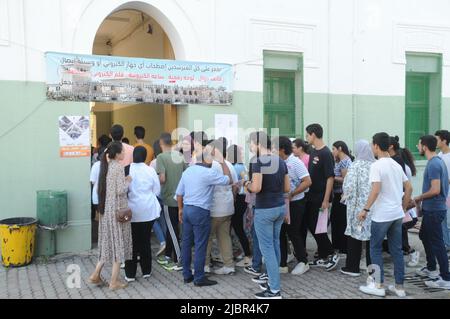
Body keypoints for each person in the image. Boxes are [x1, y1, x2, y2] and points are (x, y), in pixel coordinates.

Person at [358, 132, 412, 298]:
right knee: (396, 250)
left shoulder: (377, 165)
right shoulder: (396, 164)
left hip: (382, 215)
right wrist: (403, 208)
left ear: (375, 146)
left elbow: (375, 189)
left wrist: (365, 209)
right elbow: (409, 188)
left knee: (374, 248)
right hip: (396, 214)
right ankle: (399, 287)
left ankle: (377, 284)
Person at [176, 138, 233, 287]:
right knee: (201, 244)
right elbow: (229, 180)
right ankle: (199, 277)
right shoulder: (208, 173)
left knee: (187, 243)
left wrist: (181, 209)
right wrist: (221, 162)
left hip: (187, 209)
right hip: (200, 211)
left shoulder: (188, 170)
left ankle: (187, 274)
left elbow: (179, 193)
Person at [244, 132, 289, 300]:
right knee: (275, 244)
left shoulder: (258, 162)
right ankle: (272, 281)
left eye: (250, 144)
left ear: (257, 143)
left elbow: (256, 188)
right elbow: (286, 188)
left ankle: (274, 290)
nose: (250, 147)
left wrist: (245, 183)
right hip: (279, 207)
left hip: (265, 209)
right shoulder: (280, 160)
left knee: (267, 249)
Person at [89, 141, 133, 291]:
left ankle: (96, 274)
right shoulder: (118, 167)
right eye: (123, 151)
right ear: (117, 153)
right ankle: (114, 282)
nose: (125, 153)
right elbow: (120, 190)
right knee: (118, 244)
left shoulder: (105, 166)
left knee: (108, 243)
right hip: (117, 209)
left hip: (107, 209)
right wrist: (128, 181)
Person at [414, 135, 450, 290]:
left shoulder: (434, 164)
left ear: (425, 146)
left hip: (435, 209)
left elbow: (435, 189)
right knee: (424, 236)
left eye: (419, 144)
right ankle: (431, 268)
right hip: (432, 209)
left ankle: (445, 277)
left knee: (437, 243)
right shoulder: (436, 162)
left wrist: (419, 197)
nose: (417, 146)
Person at [273, 136, 312, 276]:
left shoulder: (295, 162)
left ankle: (303, 261)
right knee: (281, 232)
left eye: (274, 148)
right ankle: (282, 263)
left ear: (282, 149)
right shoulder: (277, 162)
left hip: (295, 203)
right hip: (281, 203)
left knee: (293, 232)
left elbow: (307, 181)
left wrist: (293, 193)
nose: (272, 151)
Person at [304, 124, 340, 271]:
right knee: (312, 226)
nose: (306, 138)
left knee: (318, 227)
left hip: (321, 197)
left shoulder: (326, 153)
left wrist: (326, 200)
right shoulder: (313, 151)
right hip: (311, 195)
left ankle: (331, 254)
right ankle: (324, 255)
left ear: (313, 134)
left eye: (307, 135)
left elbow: (330, 178)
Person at [125, 146, 161, 282]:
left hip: (132, 211)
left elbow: (123, 191)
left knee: (132, 242)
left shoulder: (127, 169)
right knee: (145, 241)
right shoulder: (150, 170)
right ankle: (146, 271)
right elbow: (157, 191)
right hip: (148, 210)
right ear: (145, 156)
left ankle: (130, 274)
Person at [205, 138, 239, 275]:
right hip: (227, 207)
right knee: (224, 236)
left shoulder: (210, 165)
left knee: (206, 238)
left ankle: (205, 265)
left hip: (213, 208)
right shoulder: (229, 165)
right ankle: (229, 265)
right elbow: (235, 186)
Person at [341, 140, 374, 277]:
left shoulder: (355, 166)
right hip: (372, 207)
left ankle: (352, 267)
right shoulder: (375, 165)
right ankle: (371, 268)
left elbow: (349, 186)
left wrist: (345, 196)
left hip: (357, 208)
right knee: (371, 238)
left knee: (355, 236)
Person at [156, 133, 186, 271]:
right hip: (181, 197)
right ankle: (168, 255)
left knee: (173, 229)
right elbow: (186, 175)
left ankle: (180, 259)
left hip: (168, 197)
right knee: (172, 227)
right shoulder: (180, 156)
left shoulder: (161, 157)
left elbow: (162, 178)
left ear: (161, 144)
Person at [227, 144, 252, 267]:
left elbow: (234, 186)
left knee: (236, 227)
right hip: (245, 198)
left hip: (238, 199)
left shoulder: (233, 167)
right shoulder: (243, 165)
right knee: (237, 227)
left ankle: (247, 255)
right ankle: (242, 252)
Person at [331, 141, 353, 255]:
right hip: (337, 194)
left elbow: (345, 179)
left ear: (340, 149)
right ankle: (338, 245)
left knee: (341, 221)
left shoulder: (345, 161)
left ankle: (343, 247)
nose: (332, 151)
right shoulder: (339, 161)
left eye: (334, 149)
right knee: (336, 220)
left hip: (342, 195)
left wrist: (332, 177)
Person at [399, 147, 420, 267]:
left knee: (402, 229)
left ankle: (410, 251)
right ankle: (406, 250)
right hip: (405, 204)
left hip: (405, 204)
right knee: (402, 230)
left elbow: (407, 188)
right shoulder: (405, 167)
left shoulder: (403, 169)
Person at [435, 130, 450, 251]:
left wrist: (444, 181)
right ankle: (446, 244)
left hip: (448, 194)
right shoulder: (439, 156)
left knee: (448, 222)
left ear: (444, 141)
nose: (435, 142)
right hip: (441, 195)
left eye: (437, 139)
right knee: (443, 222)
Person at [90, 147, 106, 220]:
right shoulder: (109, 165)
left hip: (96, 196)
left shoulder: (95, 165)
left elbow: (92, 181)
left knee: (100, 219)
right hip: (106, 197)